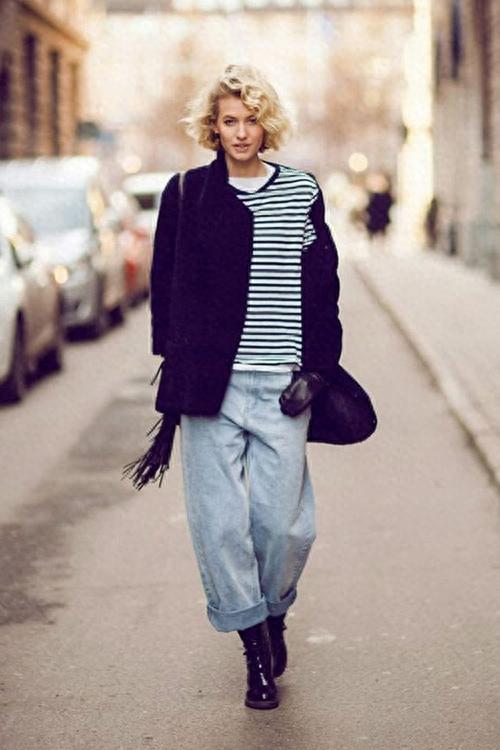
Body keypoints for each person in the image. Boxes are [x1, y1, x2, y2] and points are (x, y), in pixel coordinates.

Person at [148, 64, 343, 710]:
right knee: (220, 524)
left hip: (284, 386)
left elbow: (322, 285)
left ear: (267, 124)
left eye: (251, 119)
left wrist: (318, 368)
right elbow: (164, 291)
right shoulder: (188, 193)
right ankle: (254, 650)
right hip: (212, 388)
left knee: (285, 527)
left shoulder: (300, 191)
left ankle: (273, 611)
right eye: (229, 120)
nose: (240, 132)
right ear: (213, 126)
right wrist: (176, 372)